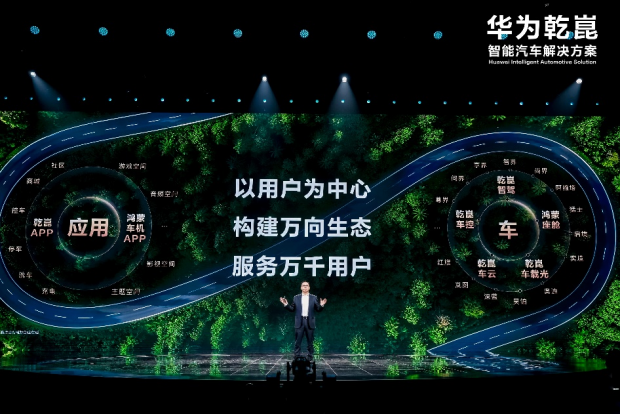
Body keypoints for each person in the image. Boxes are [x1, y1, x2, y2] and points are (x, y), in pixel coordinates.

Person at [280, 281, 327, 361]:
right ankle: (296, 356)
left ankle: (310, 356)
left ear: (309, 287)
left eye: (306, 285)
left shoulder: (314, 297)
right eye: (303, 285)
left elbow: (318, 309)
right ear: (301, 287)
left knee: (310, 341)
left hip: (310, 321)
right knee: (297, 341)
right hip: (299, 321)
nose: (305, 286)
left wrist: (322, 305)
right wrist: (286, 304)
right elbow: (292, 309)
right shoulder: (296, 297)